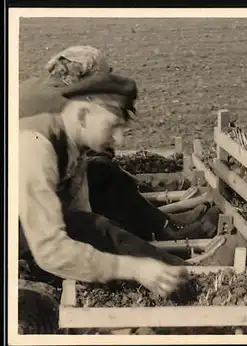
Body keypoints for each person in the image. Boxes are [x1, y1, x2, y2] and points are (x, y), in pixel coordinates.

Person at [19, 72, 195, 297]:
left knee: (95, 218)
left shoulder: (71, 142)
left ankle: (177, 266)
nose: (119, 139)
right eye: (113, 126)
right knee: (93, 229)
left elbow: (80, 215)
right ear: (83, 115)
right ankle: (183, 275)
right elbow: (50, 250)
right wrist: (134, 268)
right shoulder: (34, 145)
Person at [19, 45, 220, 241]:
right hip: (32, 202)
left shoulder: (31, 87)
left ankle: (161, 222)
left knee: (101, 171)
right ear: (86, 78)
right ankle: (165, 230)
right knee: (103, 174)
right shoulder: (66, 103)